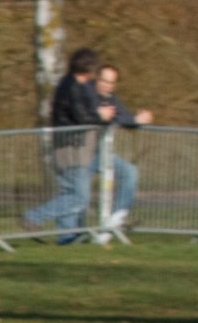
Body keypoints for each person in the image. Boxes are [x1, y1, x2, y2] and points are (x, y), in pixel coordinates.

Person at [24, 47, 113, 244]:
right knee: (80, 198)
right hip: (73, 149)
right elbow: (82, 118)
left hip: (66, 148)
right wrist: (101, 116)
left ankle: (66, 238)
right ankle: (34, 217)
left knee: (68, 193)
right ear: (89, 68)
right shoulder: (73, 87)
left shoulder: (68, 84)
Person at [92, 62, 153, 235]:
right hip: (81, 153)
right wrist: (131, 120)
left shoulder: (111, 98)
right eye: (104, 81)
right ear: (96, 78)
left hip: (101, 153)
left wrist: (139, 119)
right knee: (78, 196)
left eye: (111, 83)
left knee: (130, 172)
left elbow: (123, 117)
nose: (107, 86)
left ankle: (116, 218)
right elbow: (111, 119)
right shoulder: (87, 95)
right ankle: (70, 236)